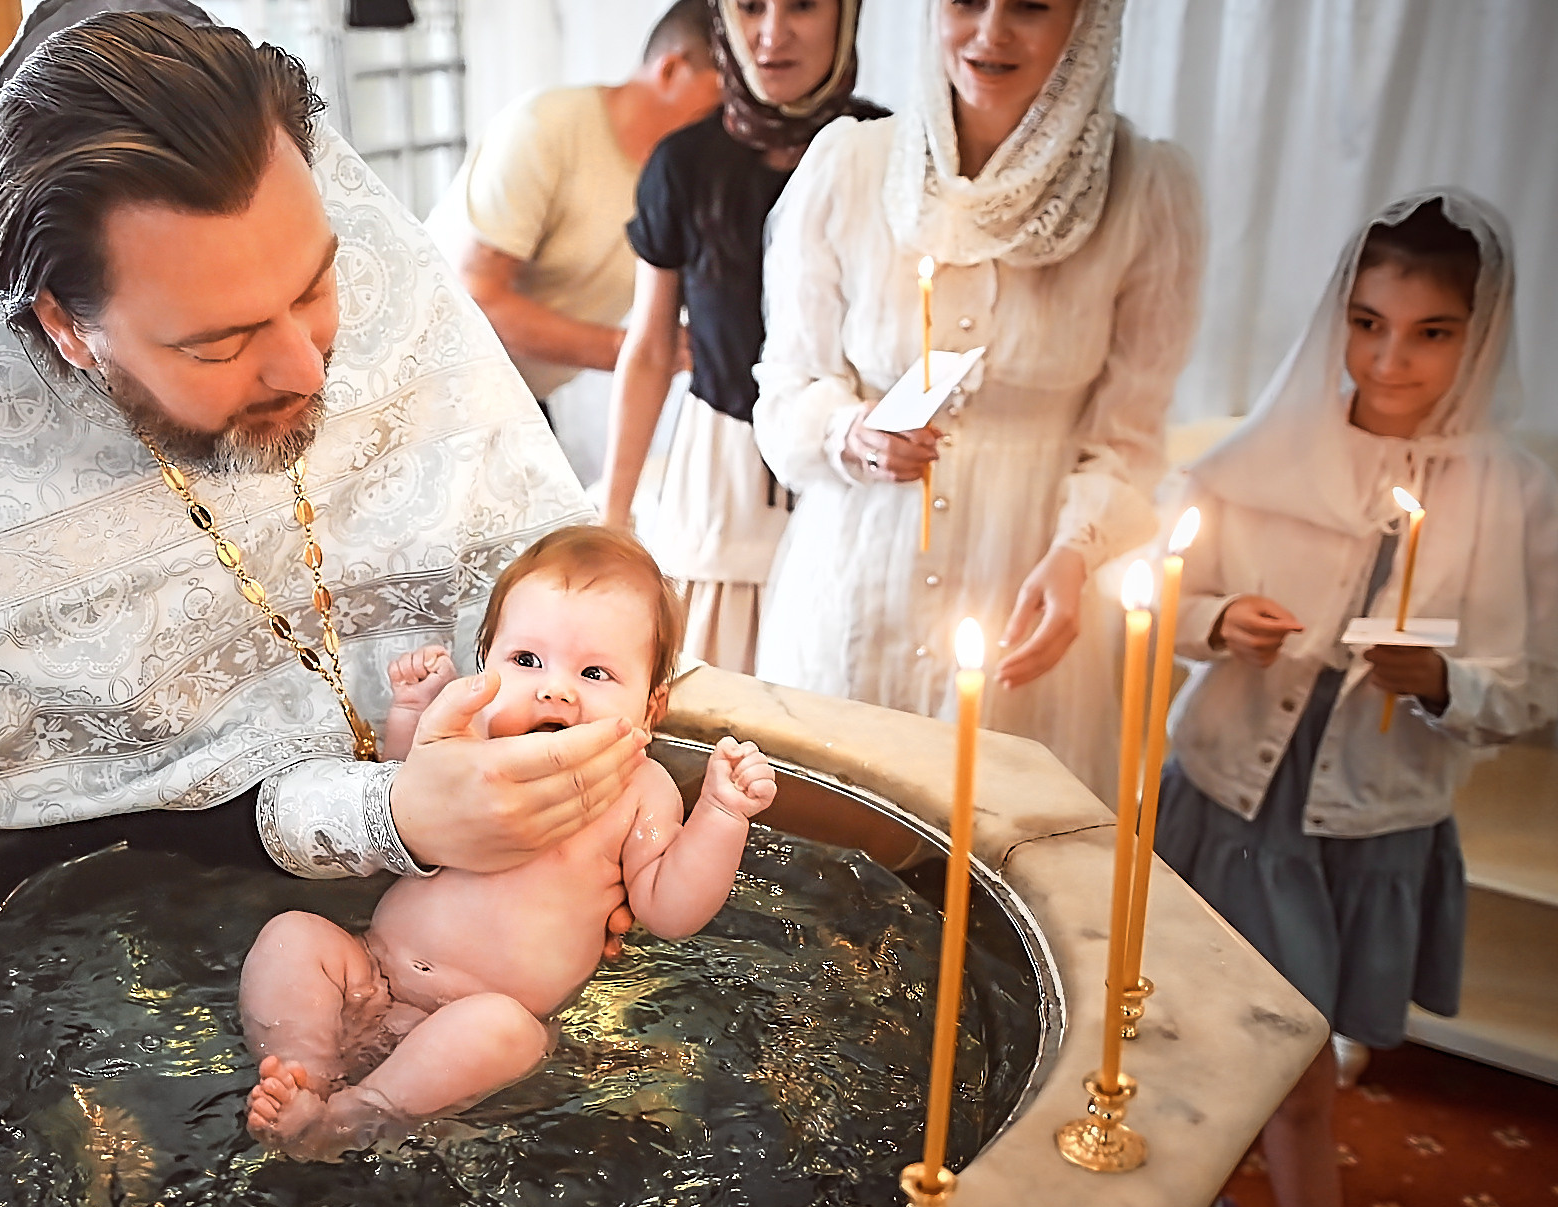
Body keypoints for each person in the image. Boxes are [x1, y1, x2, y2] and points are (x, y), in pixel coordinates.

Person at [0, 4, 648, 899]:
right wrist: (386, 817)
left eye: (314, 287)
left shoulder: (396, 333)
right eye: (217, 343)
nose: (305, 368)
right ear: (66, 325)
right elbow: (48, 822)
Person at [1155, 191, 1557, 1207]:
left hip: (1361, 823)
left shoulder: (1513, 491)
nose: (1389, 358)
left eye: (1429, 332)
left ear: (1478, 334)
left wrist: (1439, 677)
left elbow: (1529, 685)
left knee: (1289, 1070)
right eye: (1367, 320)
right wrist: (1217, 615)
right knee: (1197, 1040)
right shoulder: (1265, 450)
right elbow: (1157, 589)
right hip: (1227, 799)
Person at [751, 0, 1203, 797]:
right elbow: (784, 393)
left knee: (997, 881)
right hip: (853, 596)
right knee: (831, 872)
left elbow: (1128, 442)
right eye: (966, 1)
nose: (991, 33)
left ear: (1088, 22)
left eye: (1030, 5)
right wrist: (850, 432)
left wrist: (1079, 552)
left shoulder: (1146, 192)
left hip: (1030, 618)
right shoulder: (850, 167)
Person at [240, 527, 779, 1160]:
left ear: (651, 707)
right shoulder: (468, 744)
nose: (554, 690)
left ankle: (356, 1115)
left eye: (596, 672)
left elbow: (671, 910)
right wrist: (414, 713)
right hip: (371, 969)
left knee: (506, 1031)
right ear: (485, 664)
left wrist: (720, 813)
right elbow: (400, 796)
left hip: (482, 1013)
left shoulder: (639, 789)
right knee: (295, 935)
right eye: (526, 661)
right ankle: (303, 1073)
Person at [602, 0, 880, 672]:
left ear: (844, 19)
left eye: (803, 7)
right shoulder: (684, 163)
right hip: (723, 471)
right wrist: (612, 517)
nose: (772, 32)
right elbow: (649, 346)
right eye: (751, 6)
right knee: (723, 697)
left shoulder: (887, 150)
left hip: (856, 464)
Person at [424, 0, 720, 410]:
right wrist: (634, 351)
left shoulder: (691, 176)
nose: (733, 119)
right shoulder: (544, 129)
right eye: (723, 100)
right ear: (671, 70)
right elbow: (476, 296)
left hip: (519, 400)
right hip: (429, 392)